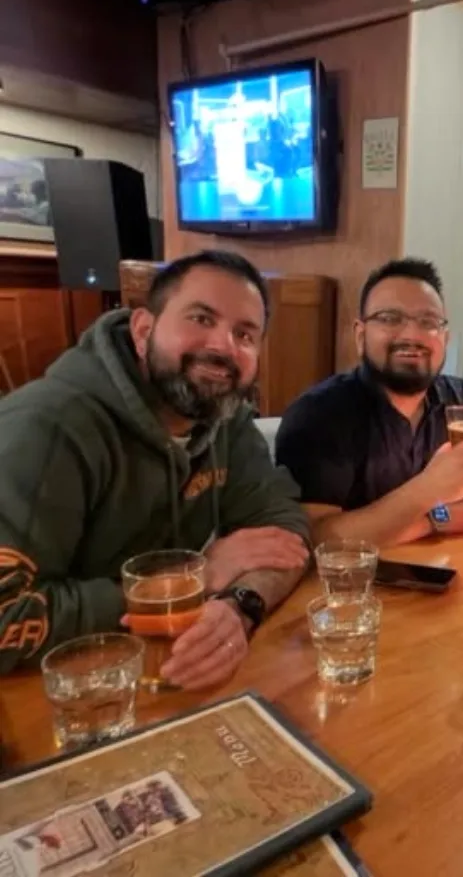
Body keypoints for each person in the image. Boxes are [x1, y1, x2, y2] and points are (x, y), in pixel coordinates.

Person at [0, 250, 310, 687]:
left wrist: (241, 605)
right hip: (50, 698)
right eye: (201, 319)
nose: (223, 346)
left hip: (160, 676)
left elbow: (286, 531)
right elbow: (7, 616)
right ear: (143, 330)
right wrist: (193, 579)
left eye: (244, 334)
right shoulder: (47, 427)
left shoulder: (226, 420)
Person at [276, 258, 463, 546]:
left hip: (454, 574)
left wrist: (433, 520)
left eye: (428, 323)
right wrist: (430, 489)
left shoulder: (460, 399)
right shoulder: (318, 416)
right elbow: (319, 538)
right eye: (390, 318)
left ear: (445, 337)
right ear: (360, 334)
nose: (411, 335)